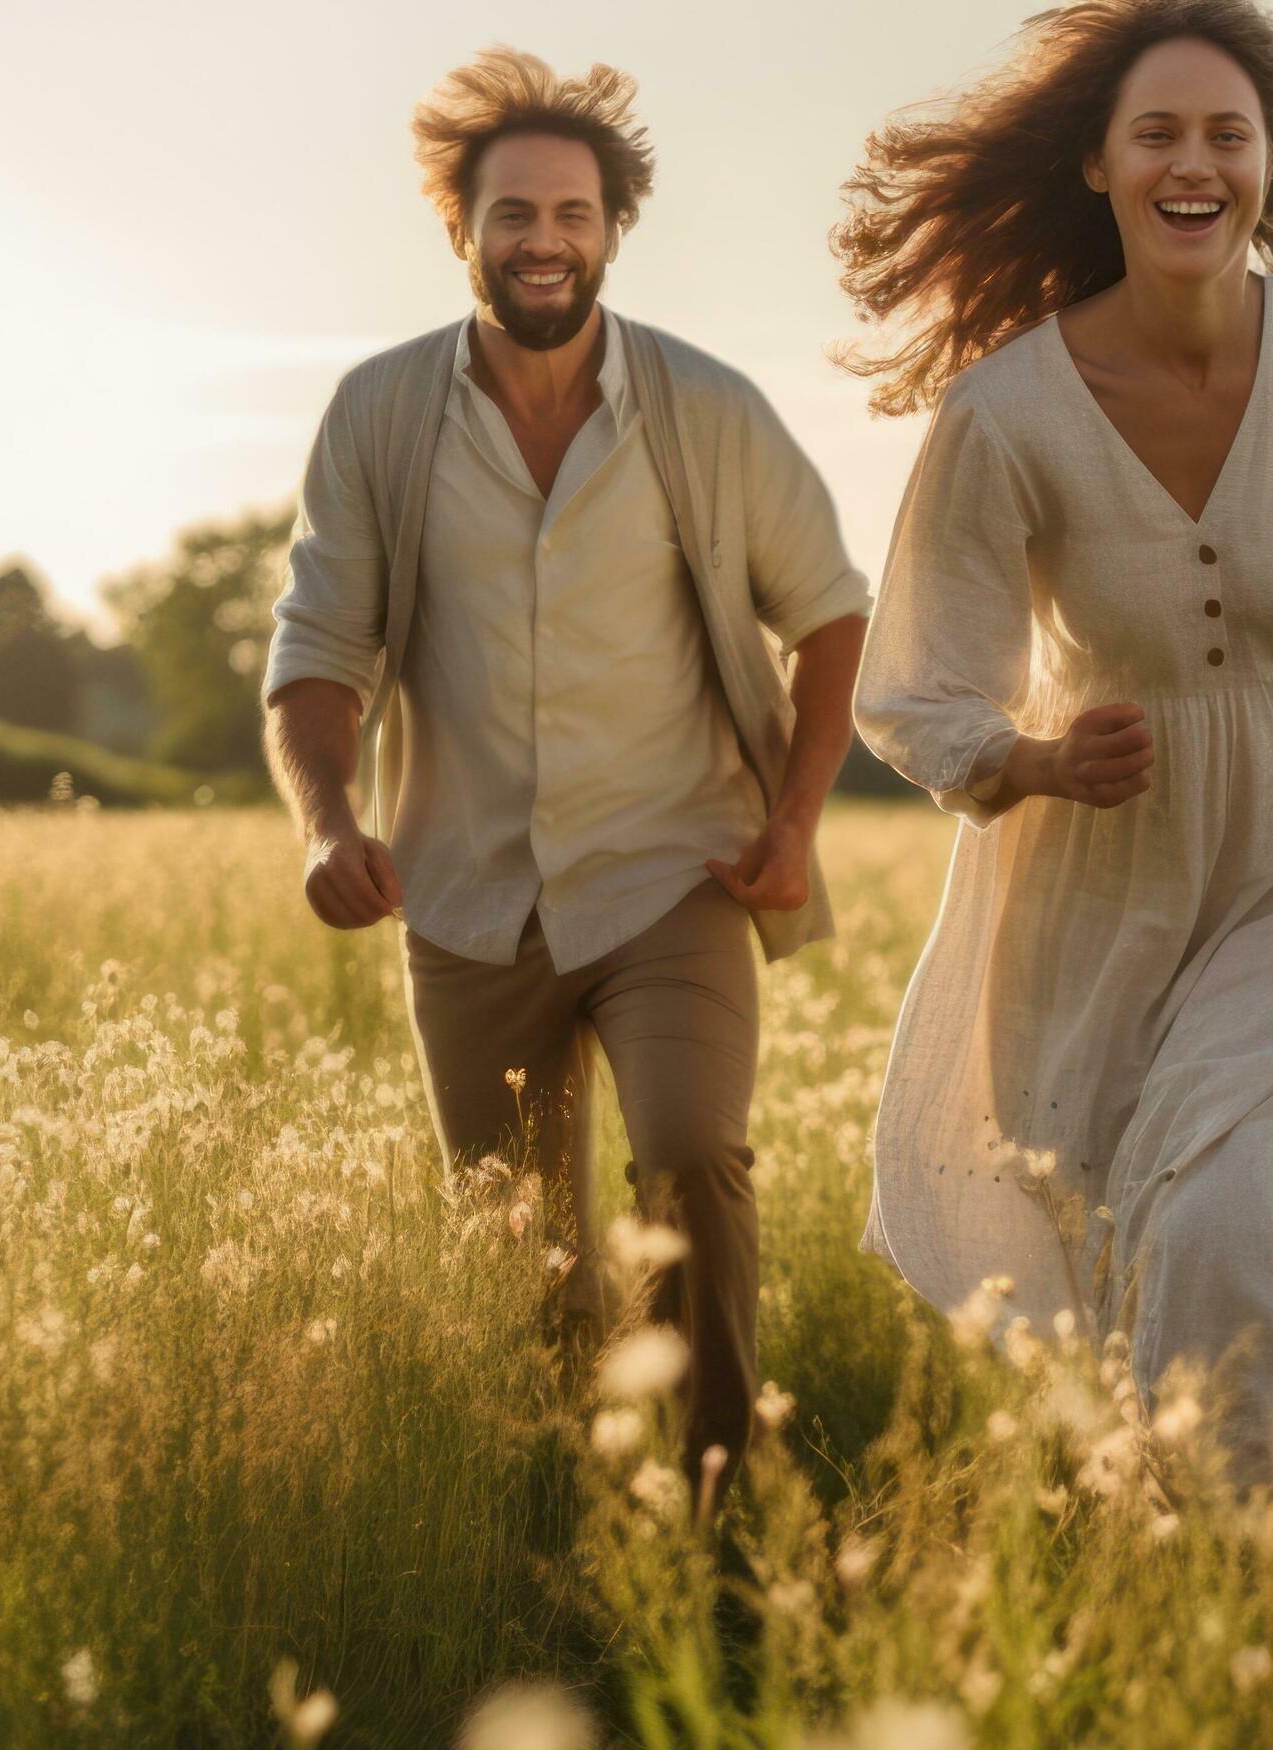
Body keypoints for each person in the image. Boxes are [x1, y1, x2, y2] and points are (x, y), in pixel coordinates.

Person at [839, 1, 1273, 1476]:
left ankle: (1209, 1549)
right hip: (1105, 850)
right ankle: (1162, 1515)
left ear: (1270, 163)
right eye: (1157, 132)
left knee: (1217, 1202)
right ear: (1099, 166)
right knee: (1113, 1229)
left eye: (1229, 134)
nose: (1195, 162)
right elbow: (919, 683)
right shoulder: (1007, 414)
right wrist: (1032, 762)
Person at [263, 48, 874, 1503]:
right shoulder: (380, 415)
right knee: (522, 1254)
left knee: (690, 1156)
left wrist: (793, 825)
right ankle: (578, 1531)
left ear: (614, 229)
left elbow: (833, 611)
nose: (547, 240)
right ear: (459, 230)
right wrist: (327, 826)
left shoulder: (706, 411)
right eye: (515, 215)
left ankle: (721, 1501)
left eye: (575, 214)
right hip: (467, 897)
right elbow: (315, 656)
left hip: (675, 872)